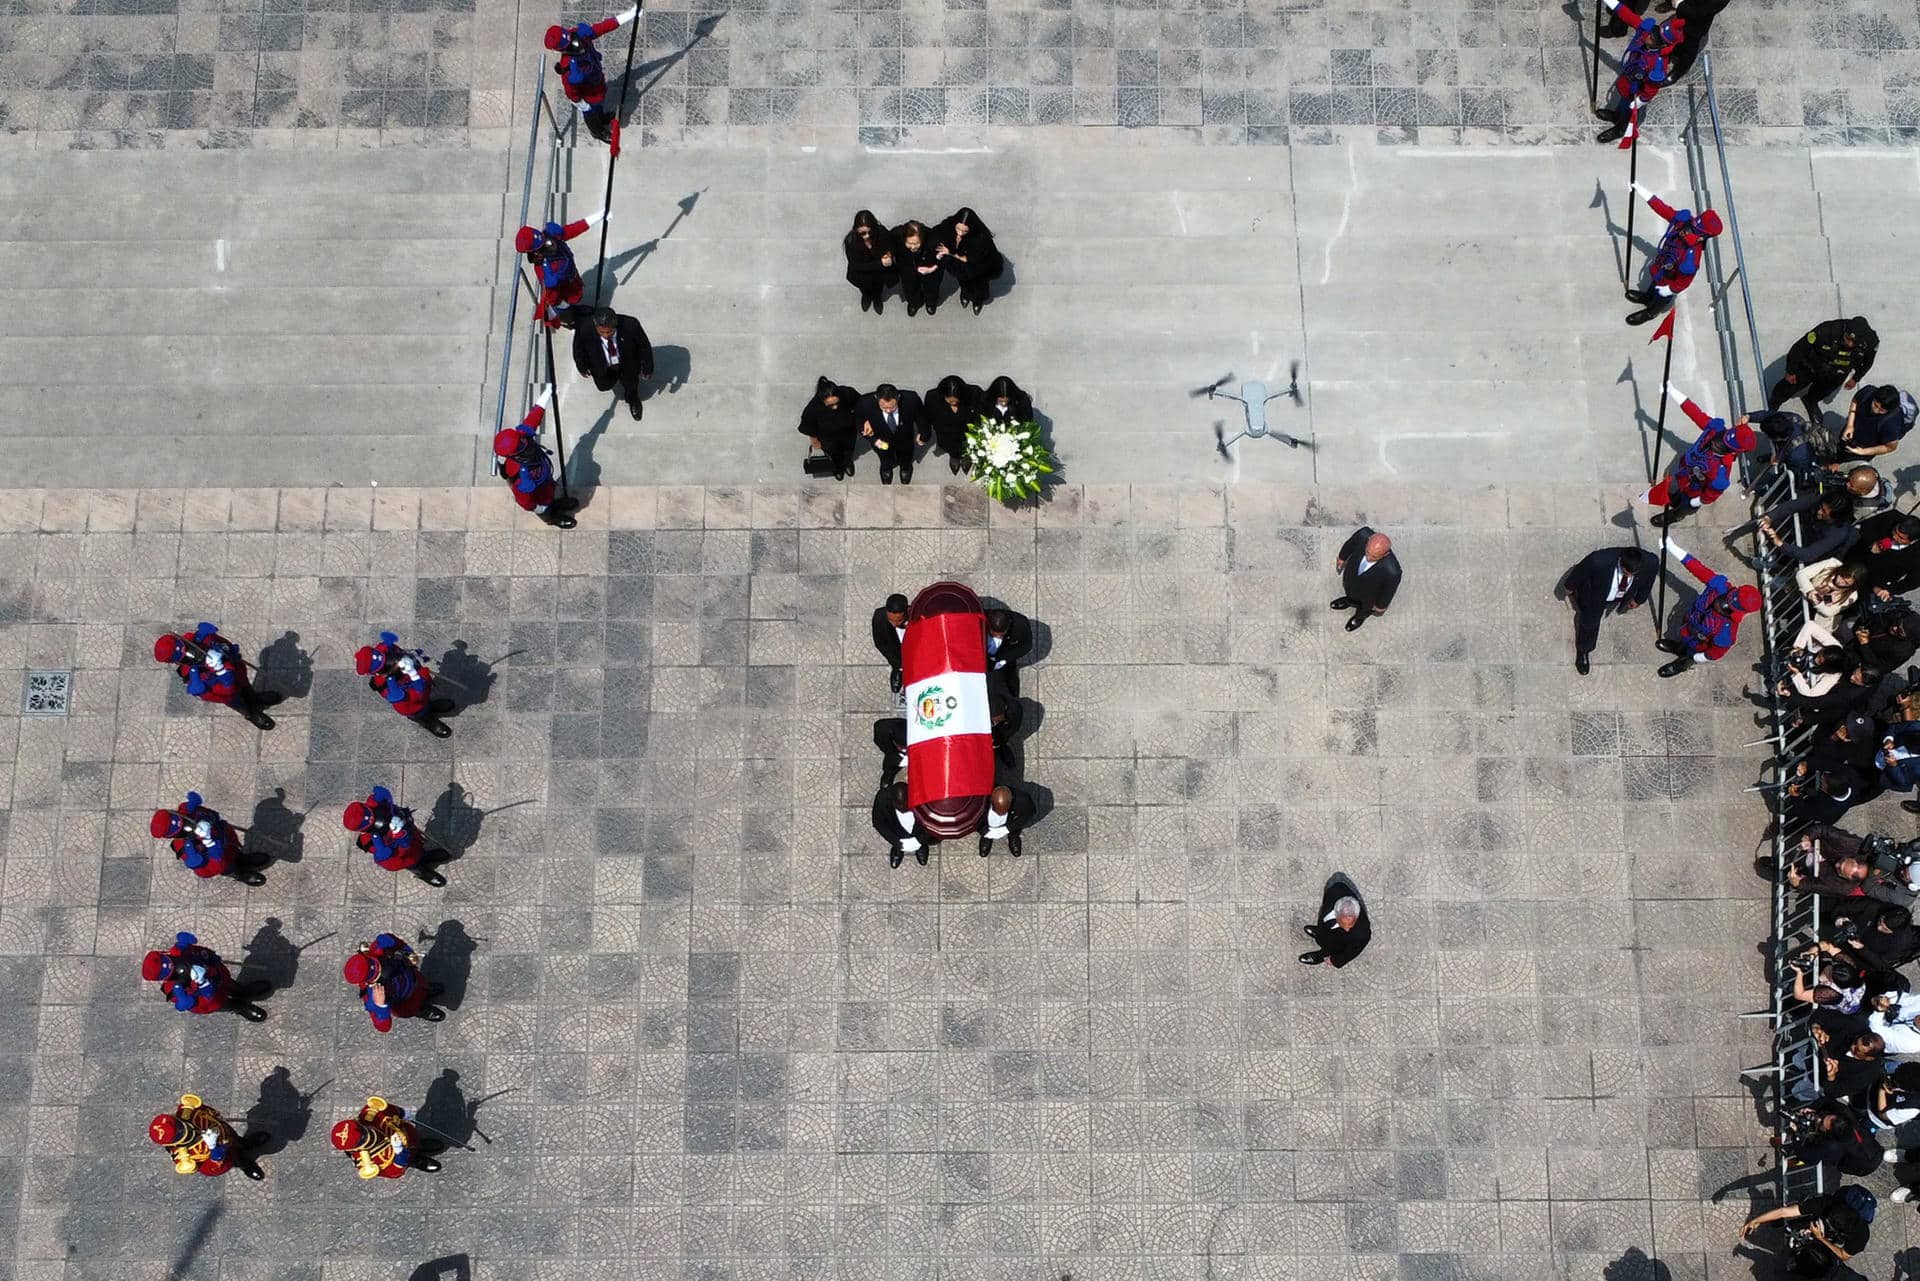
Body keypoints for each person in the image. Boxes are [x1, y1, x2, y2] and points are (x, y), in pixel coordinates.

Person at [1640, 386, 1753, 526]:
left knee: (1685, 506)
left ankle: (1675, 516)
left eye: (1723, 446)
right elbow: (1695, 413)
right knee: (1677, 493)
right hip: (1684, 473)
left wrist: (1694, 502)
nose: (1716, 443)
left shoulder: (1720, 475)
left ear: (1735, 451)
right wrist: (1672, 390)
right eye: (1721, 438)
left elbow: (1709, 496)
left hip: (1695, 490)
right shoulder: (1715, 429)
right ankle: (1676, 498)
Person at [1653, 537, 1761, 677]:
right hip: (1689, 624)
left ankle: (1681, 664)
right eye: (1725, 599)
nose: (1720, 604)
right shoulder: (1720, 587)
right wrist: (1673, 548)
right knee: (1683, 639)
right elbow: (1697, 568)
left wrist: (1700, 657)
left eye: (1727, 607)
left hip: (1699, 643)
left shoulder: (1727, 632)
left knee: (1691, 655)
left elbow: (1715, 653)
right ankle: (1678, 647)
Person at [1623, 185, 1721, 325]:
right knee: (1653, 286)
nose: (1686, 230)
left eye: (1694, 230)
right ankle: (1647, 297)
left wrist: (1669, 289)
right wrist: (1640, 188)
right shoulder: (1682, 222)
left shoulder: (1691, 259)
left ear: (1702, 237)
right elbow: (1662, 209)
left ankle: (1650, 312)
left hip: (1669, 280)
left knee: (1660, 298)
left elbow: (1683, 282)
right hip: (1661, 267)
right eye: (1691, 225)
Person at [154, 622, 275, 729]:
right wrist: (221, 672)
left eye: (187, 648)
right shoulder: (193, 679)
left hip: (239, 673)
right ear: (177, 662)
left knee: (246, 687)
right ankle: (252, 714)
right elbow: (223, 693)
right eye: (184, 656)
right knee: (239, 703)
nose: (192, 654)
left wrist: (228, 650)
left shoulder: (203, 639)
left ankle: (255, 699)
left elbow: (224, 642)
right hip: (229, 692)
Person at [545, 6, 638, 146]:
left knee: (599, 108)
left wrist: (630, 15)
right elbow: (572, 94)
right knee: (591, 114)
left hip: (598, 84)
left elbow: (603, 27)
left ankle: (602, 117)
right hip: (589, 96)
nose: (576, 44)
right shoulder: (568, 70)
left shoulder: (581, 35)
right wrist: (583, 106)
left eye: (571, 39)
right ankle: (598, 132)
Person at [1595, 2, 1683, 145]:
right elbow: (1628, 16)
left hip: (1637, 89)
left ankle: (1620, 129)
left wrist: (1639, 101)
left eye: (1654, 38)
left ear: (1662, 45)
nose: (1649, 36)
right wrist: (1612, 3)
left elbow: (1652, 89)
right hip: (1627, 78)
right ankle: (1616, 115)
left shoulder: (1658, 65)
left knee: (1629, 111)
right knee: (1622, 101)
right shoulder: (1646, 31)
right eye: (1653, 33)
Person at [1739, 1186, 1875, 1277]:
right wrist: (1757, 1220)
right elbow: (1785, 1212)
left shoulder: (1861, 1235)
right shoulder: (1826, 1203)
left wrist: (1821, 1238)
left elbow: (1843, 1255)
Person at [492, 386, 577, 529]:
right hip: (539, 496)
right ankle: (552, 518)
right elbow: (525, 501)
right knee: (546, 507)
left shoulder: (524, 437)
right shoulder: (519, 476)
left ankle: (554, 503)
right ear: (513, 455)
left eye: (522, 440)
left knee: (550, 494)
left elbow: (534, 417)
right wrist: (537, 508)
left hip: (545, 482)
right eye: (520, 445)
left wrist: (547, 394)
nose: (526, 442)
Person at [1563, 546, 1657, 675]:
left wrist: (1639, 599)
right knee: (1589, 622)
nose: (1629, 576)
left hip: (1619, 595)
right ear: (1621, 564)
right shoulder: (1599, 560)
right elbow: (1579, 573)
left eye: (1633, 574)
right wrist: (1570, 588)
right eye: (1626, 573)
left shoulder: (1651, 562)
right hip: (1595, 595)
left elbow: (1648, 581)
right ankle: (1584, 650)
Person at [1770, 317, 1880, 422]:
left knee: (1822, 391)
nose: (1849, 344)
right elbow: (1799, 348)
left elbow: (1868, 362)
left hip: (1837, 373)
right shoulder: (1826, 330)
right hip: (1812, 365)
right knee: (1790, 385)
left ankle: (1810, 401)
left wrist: (1856, 378)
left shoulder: (1871, 342)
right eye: (1848, 338)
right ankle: (1774, 402)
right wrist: (1791, 370)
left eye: (1854, 342)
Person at [142, 931, 268, 1021]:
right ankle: (241, 1007)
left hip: (218, 976)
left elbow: (200, 951)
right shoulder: (173, 989)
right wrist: (202, 983)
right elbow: (202, 998)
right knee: (225, 1003)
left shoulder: (179, 952)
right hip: (212, 999)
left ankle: (243, 991)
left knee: (229, 983)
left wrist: (211, 957)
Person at [514, 209, 607, 329]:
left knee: (575, 299)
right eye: (542, 246)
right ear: (535, 252)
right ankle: (570, 321)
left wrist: (598, 216)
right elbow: (553, 296)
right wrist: (563, 305)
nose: (549, 244)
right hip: (565, 292)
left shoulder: (553, 236)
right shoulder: (546, 271)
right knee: (568, 311)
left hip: (572, 279)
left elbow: (573, 229)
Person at [151, 791, 266, 887]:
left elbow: (214, 815)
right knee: (229, 867)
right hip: (222, 859)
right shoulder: (185, 849)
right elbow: (213, 865)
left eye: (184, 821)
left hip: (227, 839)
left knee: (235, 852)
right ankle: (240, 873)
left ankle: (244, 858)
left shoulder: (187, 811)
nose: (190, 825)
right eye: (182, 830)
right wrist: (210, 843)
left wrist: (207, 818)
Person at [345, 786, 451, 887]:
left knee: (419, 849)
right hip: (406, 855)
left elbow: (378, 800)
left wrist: (382, 796)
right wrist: (401, 838)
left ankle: (425, 855)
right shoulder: (372, 843)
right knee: (414, 863)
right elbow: (395, 859)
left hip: (412, 836)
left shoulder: (373, 806)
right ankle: (423, 873)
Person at [355, 631, 453, 738]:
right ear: (379, 673)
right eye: (386, 665)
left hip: (423, 695)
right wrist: (416, 674)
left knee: (426, 702)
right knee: (421, 713)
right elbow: (417, 694)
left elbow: (385, 648)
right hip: (412, 705)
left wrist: (391, 646)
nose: (393, 661)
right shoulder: (387, 687)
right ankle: (429, 722)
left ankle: (430, 706)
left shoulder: (383, 654)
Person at [149, 1094, 268, 1180]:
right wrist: (214, 1149)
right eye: (179, 1133)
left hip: (226, 1133)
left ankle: (246, 1143)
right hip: (223, 1156)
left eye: (179, 1124)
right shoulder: (184, 1155)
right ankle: (245, 1164)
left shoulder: (186, 1114)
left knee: (237, 1141)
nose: (184, 1128)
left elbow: (204, 1110)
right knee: (235, 1158)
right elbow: (211, 1166)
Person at [344, 934, 443, 1033]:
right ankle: (421, 1010)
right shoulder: (370, 997)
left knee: (421, 984)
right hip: (405, 1001)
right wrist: (380, 1006)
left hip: (410, 977)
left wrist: (408, 952)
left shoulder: (377, 950)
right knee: (414, 1007)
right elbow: (384, 1027)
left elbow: (390, 940)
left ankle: (426, 990)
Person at [571, 306, 653, 420]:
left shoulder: (631, 325)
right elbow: (578, 349)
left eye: (609, 332)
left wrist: (647, 368)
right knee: (603, 385)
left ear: (615, 326)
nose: (605, 335)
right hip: (601, 364)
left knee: (631, 385)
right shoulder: (584, 328)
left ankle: (633, 399)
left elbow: (644, 346)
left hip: (627, 363)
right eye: (602, 332)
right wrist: (582, 367)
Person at [331, 1097, 441, 1178]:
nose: (367, 1134)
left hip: (406, 1133)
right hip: (399, 1155)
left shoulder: (369, 1115)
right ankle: (416, 1160)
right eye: (362, 1140)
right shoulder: (367, 1162)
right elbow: (394, 1171)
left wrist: (401, 1112)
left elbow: (386, 1109)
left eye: (363, 1130)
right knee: (408, 1158)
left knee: (413, 1139)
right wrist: (399, 1151)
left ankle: (419, 1145)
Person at [934, 206, 1004, 314]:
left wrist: (951, 253)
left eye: (965, 231)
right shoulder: (948, 226)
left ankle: (978, 301)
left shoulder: (981, 238)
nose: (960, 233)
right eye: (958, 228)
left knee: (979, 286)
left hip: (978, 267)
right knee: (963, 281)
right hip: (959, 266)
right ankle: (965, 293)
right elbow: (936, 233)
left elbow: (971, 259)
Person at [1330, 527, 1402, 632]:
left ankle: (1359, 617)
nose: (1368, 558)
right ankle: (1349, 601)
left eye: (1374, 557)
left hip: (1370, 593)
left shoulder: (1392, 571)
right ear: (1368, 541)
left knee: (1365, 607)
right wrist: (1342, 557)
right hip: (1353, 574)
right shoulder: (1363, 535)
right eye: (1367, 552)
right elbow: (1350, 544)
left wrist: (1381, 605)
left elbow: (1389, 591)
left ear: (1385, 554)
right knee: (1350, 589)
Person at [859, 383, 924, 485]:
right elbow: (858, 421)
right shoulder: (865, 403)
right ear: (877, 398)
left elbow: (921, 417)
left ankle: (905, 467)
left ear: (898, 397)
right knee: (884, 455)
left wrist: (924, 434)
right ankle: (886, 468)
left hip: (904, 437)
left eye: (893, 407)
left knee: (906, 454)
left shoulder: (911, 399)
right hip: (881, 439)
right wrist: (872, 438)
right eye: (884, 407)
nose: (888, 411)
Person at [1298, 875, 1371, 967]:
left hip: (1343, 940)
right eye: (1345, 925)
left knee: (1334, 945)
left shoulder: (1363, 933)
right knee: (1324, 929)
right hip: (1329, 924)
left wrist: (1335, 960)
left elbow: (1352, 952)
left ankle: (1321, 956)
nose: (1348, 929)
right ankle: (1320, 933)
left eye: (1351, 925)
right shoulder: (1335, 891)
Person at [799, 377, 861, 479]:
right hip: (827, 437)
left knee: (849, 448)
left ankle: (847, 461)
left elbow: (860, 403)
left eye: (837, 403)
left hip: (848, 431)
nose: (835, 407)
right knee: (833, 452)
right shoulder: (812, 409)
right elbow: (808, 426)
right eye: (831, 405)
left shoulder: (846, 393)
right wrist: (814, 441)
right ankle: (837, 467)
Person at [1838, 384, 1915, 460]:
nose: (1876, 411)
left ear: (1890, 410)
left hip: (1864, 449)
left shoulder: (1892, 424)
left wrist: (1862, 452)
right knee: (1839, 449)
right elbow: (1855, 400)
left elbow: (1891, 447)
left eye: (1882, 410)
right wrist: (1850, 425)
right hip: (1850, 433)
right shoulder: (1868, 392)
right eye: (1875, 405)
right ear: (1874, 396)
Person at [1660, 0, 1730, 82]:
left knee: (1689, 48)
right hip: (1686, 10)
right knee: (1677, 34)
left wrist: (1679, 5)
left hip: (1696, 24)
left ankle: (1678, 71)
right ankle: (1673, 51)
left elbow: (1700, 12)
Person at [923, 375, 979, 475]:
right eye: (950, 400)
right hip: (945, 433)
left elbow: (983, 412)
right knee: (950, 447)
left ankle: (967, 456)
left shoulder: (974, 393)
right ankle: (954, 457)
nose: (953, 403)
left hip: (967, 433)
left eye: (956, 400)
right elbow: (927, 416)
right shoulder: (932, 397)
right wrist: (924, 433)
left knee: (968, 446)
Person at [872, 780, 935, 868]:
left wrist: (920, 840)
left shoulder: (925, 797)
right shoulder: (882, 799)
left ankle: (921, 846)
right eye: (899, 806)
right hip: (897, 831)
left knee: (923, 836)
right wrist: (896, 842)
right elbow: (878, 823)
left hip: (919, 831)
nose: (903, 809)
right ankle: (898, 849)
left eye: (906, 805)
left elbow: (934, 821)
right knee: (897, 832)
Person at [844, 210, 895, 314]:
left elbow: (891, 245)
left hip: (879, 274)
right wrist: (880, 263)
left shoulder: (881, 232)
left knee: (878, 289)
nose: (866, 236)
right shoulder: (851, 241)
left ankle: (877, 299)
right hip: (861, 274)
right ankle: (866, 296)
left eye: (869, 232)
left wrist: (889, 254)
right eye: (862, 233)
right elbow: (856, 265)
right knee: (864, 288)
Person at [1856, 513, 1920, 594]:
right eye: (1895, 531)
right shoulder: (1891, 517)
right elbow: (1866, 526)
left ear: (1913, 540)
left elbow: (1913, 582)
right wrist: (1871, 543)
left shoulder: (1917, 555)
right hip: (1855, 560)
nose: (1894, 537)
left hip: (1873, 582)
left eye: (1901, 538)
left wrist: (1889, 590)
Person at [892, 219, 944, 317]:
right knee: (909, 286)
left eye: (916, 243)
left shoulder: (933, 240)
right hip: (907, 265)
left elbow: (944, 258)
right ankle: (914, 303)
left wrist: (932, 268)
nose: (912, 247)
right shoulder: (897, 234)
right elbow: (885, 240)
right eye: (909, 243)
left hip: (928, 266)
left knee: (932, 286)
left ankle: (930, 302)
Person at [1795, 558, 1862, 626]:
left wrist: (1819, 602)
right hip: (1799, 598)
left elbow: (1830, 611)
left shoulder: (1852, 595)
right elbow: (1802, 574)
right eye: (1841, 576)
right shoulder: (1832, 563)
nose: (1840, 581)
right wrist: (1810, 590)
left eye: (1846, 583)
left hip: (1815, 619)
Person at [985, 608, 1034, 697]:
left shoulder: (1021, 624)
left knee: (1008, 685)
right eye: (994, 634)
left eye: (1002, 634)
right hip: (981, 654)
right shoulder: (981, 619)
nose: (999, 637)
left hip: (1003, 655)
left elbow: (1026, 645)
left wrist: (1003, 660)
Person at [977, 783, 1036, 858]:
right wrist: (984, 831)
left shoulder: (1023, 800)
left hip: (1010, 818)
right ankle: (987, 838)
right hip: (987, 821)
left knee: (1015, 823)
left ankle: (1013, 836)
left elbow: (1028, 815)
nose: (1000, 814)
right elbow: (974, 819)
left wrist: (1008, 829)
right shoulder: (980, 798)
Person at [872, 593, 908, 692]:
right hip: (894, 646)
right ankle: (898, 669)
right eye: (891, 620)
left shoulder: (916, 616)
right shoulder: (879, 617)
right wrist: (897, 663)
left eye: (899, 621)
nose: (894, 624)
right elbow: (880, 642)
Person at [989, 678, 1024, 770]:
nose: (995, 722)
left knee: (1000, 738)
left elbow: (1013, 727)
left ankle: (1001, 747)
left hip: (1001, 733)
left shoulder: (1014, 710)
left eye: (997, 719)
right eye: (993, 720)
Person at [873, 716, 907, 786]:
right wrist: (897, 758)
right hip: (892, 749)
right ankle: (888, 777)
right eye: (901, 747)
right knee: (890, 764)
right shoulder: (881, 728)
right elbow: (883, 745)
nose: (902, 749)